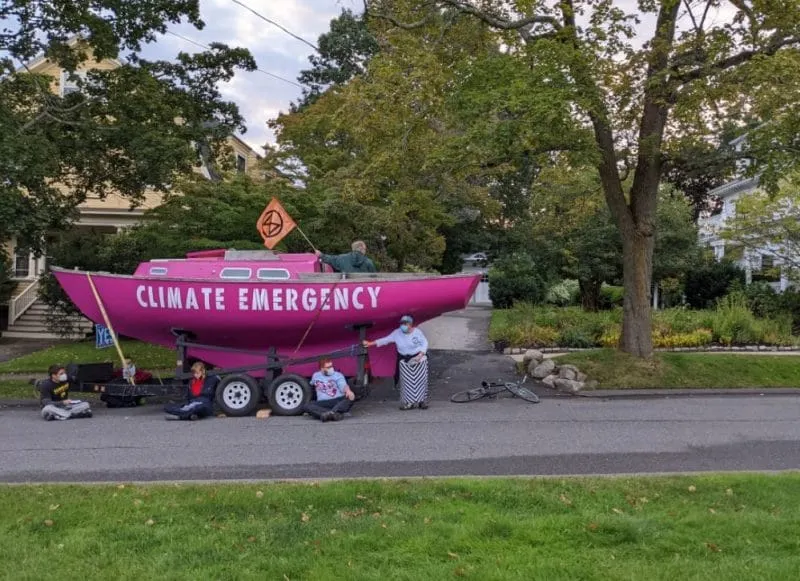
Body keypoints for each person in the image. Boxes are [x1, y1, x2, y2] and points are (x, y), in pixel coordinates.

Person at [363, 315, 430, 410]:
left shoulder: (417, 332)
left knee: (421, 380)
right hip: (404, 359)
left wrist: (421, 354)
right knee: (407, 382)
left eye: (405, 324)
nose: (403, 326)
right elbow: (385, 340)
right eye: (402, 324)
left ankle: (422, 401)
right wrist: (371, 343)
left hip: (419, 358)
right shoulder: (397, 333)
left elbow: (425, 343)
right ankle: (408, 402)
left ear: (410, 324)